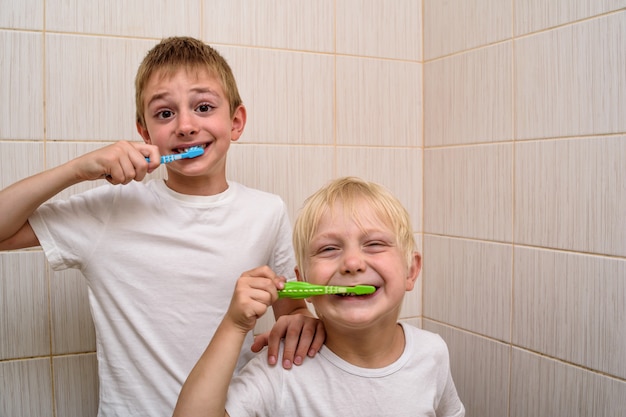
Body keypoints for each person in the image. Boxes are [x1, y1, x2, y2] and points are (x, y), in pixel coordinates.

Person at [0, 37, 324, 416]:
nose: (186, 126)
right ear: (145, 132)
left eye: (203, 107)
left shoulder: (267, 212)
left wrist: (304, 324)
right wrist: (76, 170)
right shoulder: (110, 210)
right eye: (165, 114)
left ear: (235, 122)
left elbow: (292, 311)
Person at [173, 176, 465, 417]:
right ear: (304, 285)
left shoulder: (432, 353)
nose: (352, 263)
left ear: (410, 271)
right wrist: (234, 325)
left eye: (374, 244)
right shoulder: (282, 368)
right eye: (328, 249)